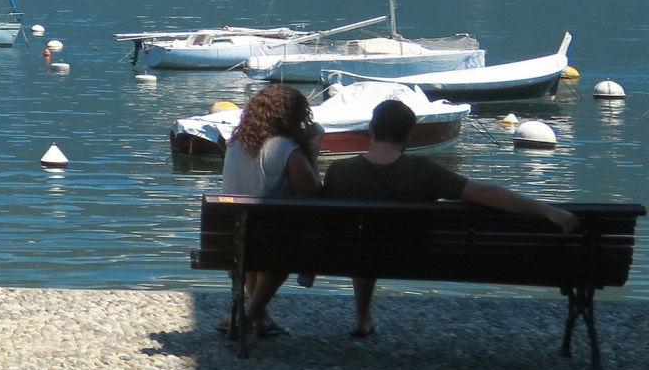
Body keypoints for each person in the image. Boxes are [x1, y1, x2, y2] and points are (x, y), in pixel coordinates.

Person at [322, 97, 579, 338]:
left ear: (371, 128)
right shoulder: (423, 169)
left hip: (352, 255)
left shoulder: (340, 171)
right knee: (375, 243)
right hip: (414, 257)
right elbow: (485, 193)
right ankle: (363, 317)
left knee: (366, 242)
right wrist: (546, 209)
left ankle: (361, 318)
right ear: (409, 134)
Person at [217, 83, 322, 338]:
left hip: (233, 241)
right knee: (280, 249)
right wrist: (313, 155)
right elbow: (311, 196)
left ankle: (257, 318)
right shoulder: (287, 149)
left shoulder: (234, 144)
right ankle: (248, 318)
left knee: (258, 242)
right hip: (273, 243)